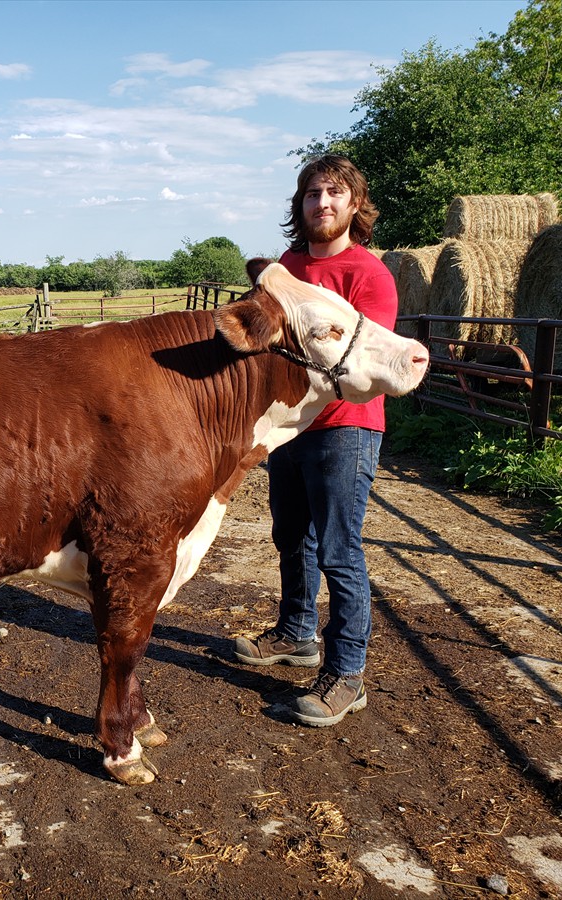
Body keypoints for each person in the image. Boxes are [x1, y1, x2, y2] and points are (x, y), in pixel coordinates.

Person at [232, 153, 397, 727]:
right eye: (311, 193)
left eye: (333, 193)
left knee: (338, 549)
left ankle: (346, 672)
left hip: (344, 428)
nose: (321, 203)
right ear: (298, 205)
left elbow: (363, 364)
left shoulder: (368, 274)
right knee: (289, 534)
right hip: (288, 426)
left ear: (355, 204)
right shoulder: (287, 267)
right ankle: (296, 630)